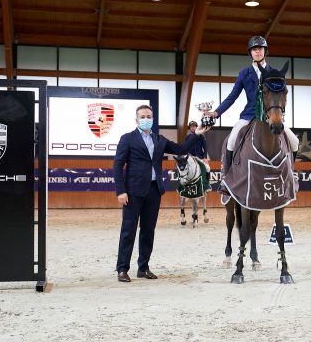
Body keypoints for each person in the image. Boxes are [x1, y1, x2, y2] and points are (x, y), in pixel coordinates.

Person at [113, 104, 210, 282]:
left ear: (153, 119)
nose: (146, 119)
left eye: (149, 116)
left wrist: (196, 135)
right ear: (136, 120)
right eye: (142, 116)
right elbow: (118, 165)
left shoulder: (159, 140)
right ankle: (122, 269)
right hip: (133, 192)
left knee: (148, 231)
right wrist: (121, 191)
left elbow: (181, 149)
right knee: (128, 230)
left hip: (154, 191)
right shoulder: (127, 139)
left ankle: (143, 267)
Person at [206, 36, 299, 188]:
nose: (257, 52)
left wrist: (279, 115)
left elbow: (282, 95)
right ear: (250, 53)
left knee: (294, 141)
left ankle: (290, 176)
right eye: (254, 50)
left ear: (265, 51)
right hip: (249, 115)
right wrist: (216, 113)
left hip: (271, 116)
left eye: (260, 49)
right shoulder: (244, 73)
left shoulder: (274, 73)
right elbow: (232, 97)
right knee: (231, 140)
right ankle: (228, 181)